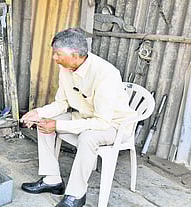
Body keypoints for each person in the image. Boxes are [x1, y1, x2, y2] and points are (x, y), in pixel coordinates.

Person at [20, 28, 136, 207]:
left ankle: (76, 195)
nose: (54, 58)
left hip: (114, 126)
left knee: (88, 137)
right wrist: (39, 113)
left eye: (58, 54)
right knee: (43, 124)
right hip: (84, 117)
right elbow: (62, 102)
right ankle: (52, 180)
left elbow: (102, 121)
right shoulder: (65, 68)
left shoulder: (106, 74)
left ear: (75, 55)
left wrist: (58, 125)